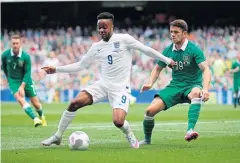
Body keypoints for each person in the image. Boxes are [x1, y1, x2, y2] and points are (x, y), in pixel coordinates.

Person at [40, 12, 174, 148]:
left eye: (105, 27)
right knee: (74, 103)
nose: (101, 30)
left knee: (118, 122)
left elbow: (146, 50)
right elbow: (80, 66)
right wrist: (56, 69)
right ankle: (57, 136)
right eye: (99, 27)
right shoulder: (96, 47)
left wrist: (167, 60)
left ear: (112, 27)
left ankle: (129, 134)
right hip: (102, 85)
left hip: (120, 89)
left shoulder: (124, 39)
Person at [139, 19, 211, 145]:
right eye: (171, 32)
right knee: (149, 111)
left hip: (192, 85)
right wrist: (150, 83)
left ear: (184, 34)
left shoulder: (194, 49)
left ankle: (190, 130)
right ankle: (147, 140)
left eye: (176, 32)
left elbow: (206, 69)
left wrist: (205, 88)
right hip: (175, 86)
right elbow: (157, 68)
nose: (173, 34)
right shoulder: (168, 50)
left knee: (196, 93)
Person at [1, 35, 47, 127]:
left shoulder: (26, 56)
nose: (15, 45)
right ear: (11, 44)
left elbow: (27, 73)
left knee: (36, 103)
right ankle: (35, 118)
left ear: (20, 44)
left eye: (17, 43)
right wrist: (8, 79)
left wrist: (22, 86)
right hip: (13, 81)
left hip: (26, 80)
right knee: (19, 98)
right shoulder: (5, 55)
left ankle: (41, 116)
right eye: (13, 43)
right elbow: (4, 68)